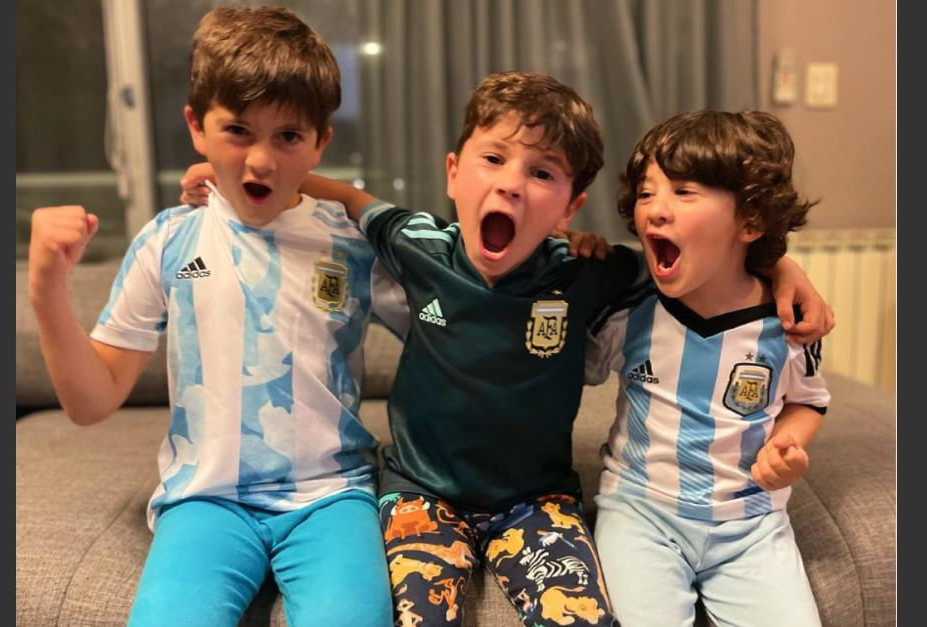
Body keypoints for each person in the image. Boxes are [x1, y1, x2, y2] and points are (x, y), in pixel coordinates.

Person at [181, 72, 832, 627]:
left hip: (539, 499)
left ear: (570, 209)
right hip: (420, 493)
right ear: (453, 173)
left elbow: (715, 274)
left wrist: (781, 269)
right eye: (493, 160)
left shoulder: (594, 273)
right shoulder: (416, 241)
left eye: (542, 173)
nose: (513, 184)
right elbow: (350, 198)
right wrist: (233, 174)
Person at [26, 6, 406, 626]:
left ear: (321, 142)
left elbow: (448, 318)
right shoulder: (169, 242)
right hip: (204, 503)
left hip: (332, 499)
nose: (261, 161)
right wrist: (47, 289)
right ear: (196, 128)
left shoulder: (353, 244)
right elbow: (91, 402)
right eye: (237, 131)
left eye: (288, 136)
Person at [586, 110, 829, 626]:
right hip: (639, 513)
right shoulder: (630, 306)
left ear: (750, 220)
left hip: (752, 526)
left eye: (684, 192)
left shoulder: (788, 321)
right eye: (648, 193)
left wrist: (788, 444)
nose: (655, 210)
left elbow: (809, 399)